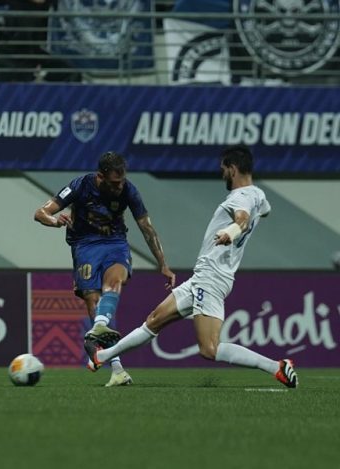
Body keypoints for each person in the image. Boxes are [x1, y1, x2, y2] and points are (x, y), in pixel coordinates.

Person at [84, 145, 298, 389]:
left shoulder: (241, 197)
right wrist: (246, 221)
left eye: (223, 170)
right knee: (154, 320)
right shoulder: (258, 196)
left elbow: (242, 218)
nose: (222, 175)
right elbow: (263, 211)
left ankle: (276, 367)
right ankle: (101, 356)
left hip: (212, 279)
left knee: (209, 349)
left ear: (233, 169)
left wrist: (231, 231)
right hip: (203, 277)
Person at [34, 151, 175, 387]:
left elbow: (147, 228)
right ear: (100, 177)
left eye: (122, 181)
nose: (119, 187)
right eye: (114, 183)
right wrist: (54, 221)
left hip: (115, 243)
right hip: (85, 245)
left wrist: (163, 263)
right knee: (92, 298)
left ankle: (99, 326)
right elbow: (41, 213)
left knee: (115, 281)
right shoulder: (80, 185)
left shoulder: (129, 190)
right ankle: (117, 368)